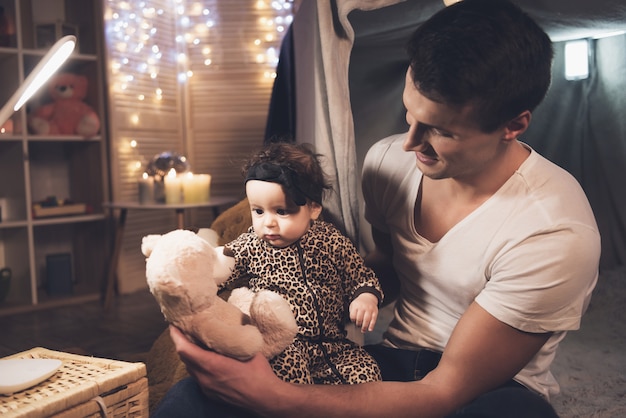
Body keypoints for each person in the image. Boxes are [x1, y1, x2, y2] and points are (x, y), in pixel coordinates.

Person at [153, 0, 601, 417]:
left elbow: (443, 390)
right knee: (190, 399)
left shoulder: (555, 233)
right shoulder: (388, 162)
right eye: (409, 114)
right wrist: (310, 302)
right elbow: (387, 264)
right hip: (388, 361)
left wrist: (276, 398)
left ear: (514, 124)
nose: (410, 144)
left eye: (440, 131)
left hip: (479, 390)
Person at [220, 142, 383, 385]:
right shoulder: (251, 245)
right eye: (258, 211)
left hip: (332, 344)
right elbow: (222, 266)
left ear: (314, 208)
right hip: (282, 345)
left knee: (366, 371)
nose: (268, 223)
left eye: (282, 212)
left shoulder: (331, 240)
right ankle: (297, 405)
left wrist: (366, 296)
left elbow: (360, 276)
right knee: (286, 370)